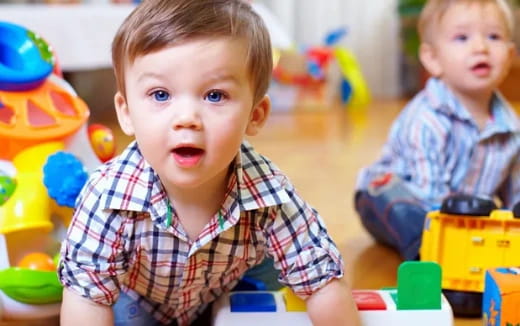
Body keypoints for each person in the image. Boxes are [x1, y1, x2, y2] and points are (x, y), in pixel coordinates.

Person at [58, 0, 361, 325]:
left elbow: (322, 283)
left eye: (215, 95)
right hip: (138, 299)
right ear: (127, 113)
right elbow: (86, 298)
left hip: (230, 289)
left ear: (255, 115)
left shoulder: (270, 194)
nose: (186, 119)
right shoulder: (107, 197)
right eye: (160, 95)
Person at [354, 0, 520, 261]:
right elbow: (428, 196)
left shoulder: (510, 126)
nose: (481, 48)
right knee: (401, 206)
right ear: (432, 58)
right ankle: (426, 253)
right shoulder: (426, 120)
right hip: (399, 200)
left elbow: (514, 191)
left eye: (493, 36)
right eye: (462, 37)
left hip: (468, 218)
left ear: (510, 56)